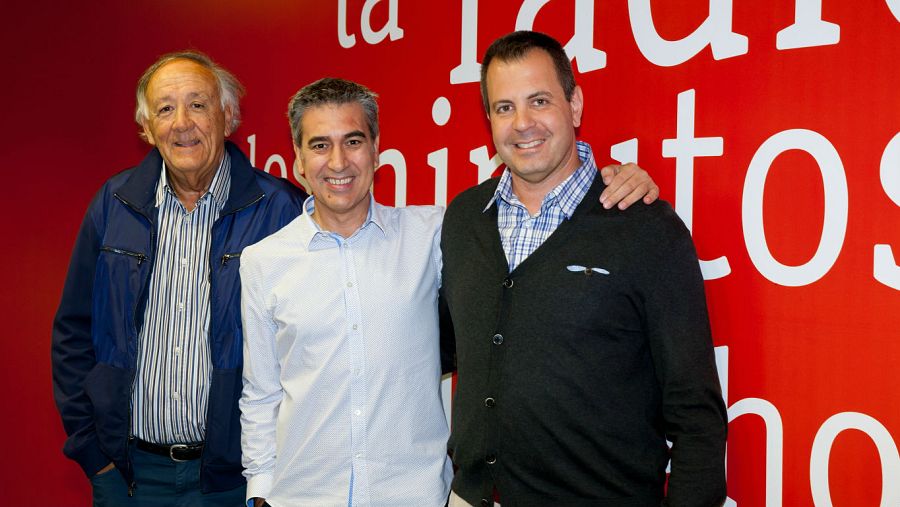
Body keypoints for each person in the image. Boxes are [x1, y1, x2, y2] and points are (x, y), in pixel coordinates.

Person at [238, 78, 659, 507]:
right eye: (320, 145)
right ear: (298, 162)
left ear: (376, 148)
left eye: (353, 140)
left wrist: (614, 179)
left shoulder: (438, 232)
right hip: (303, 495)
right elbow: (262, 393)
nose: (339, 161)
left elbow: (533, 216)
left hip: (413, 495)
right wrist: (261, 492)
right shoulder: (263, 262)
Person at [440, 31, 728, 507]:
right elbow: (447, 345)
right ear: (488, 119)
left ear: (574, 105)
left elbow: (696, 416)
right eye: (504, 107)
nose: (523, 123)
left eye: (539, 101)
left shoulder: (646, 228)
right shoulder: (464, 217)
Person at [51, 50, 306, 506]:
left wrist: (271, 475)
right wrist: (95, 458)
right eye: (165, 109)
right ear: (147, 129)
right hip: (131, 478)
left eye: (198, 104)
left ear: (228, 117)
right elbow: (72, 332)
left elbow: (309, 350)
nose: (182, 123)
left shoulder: (281, 211)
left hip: (236, 483)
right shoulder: (113, 204)